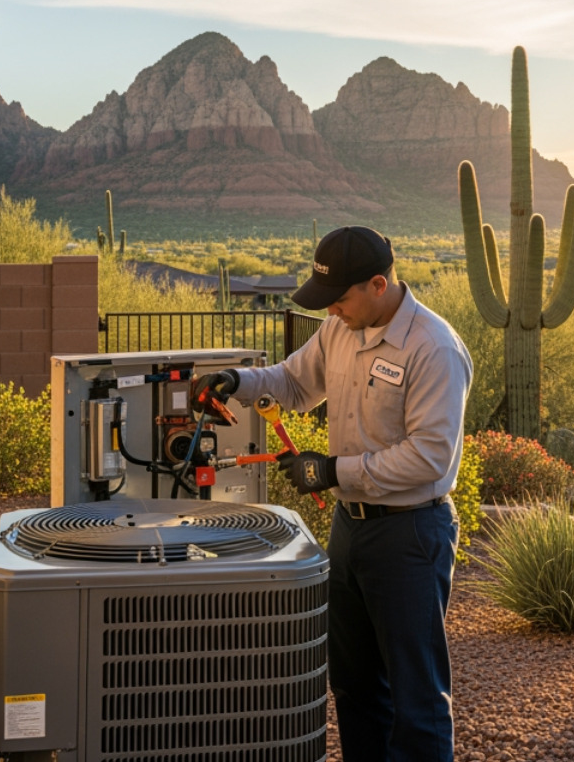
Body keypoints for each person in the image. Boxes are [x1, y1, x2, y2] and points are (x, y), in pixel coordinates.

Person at [192, 225, 471, 762]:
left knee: (417, 698)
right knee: (354, 684)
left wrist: (331, 471)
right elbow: (294, 383)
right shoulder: (340, 330)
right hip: (350, 530)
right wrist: (237, 381)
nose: (332, 311)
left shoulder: (433, 348)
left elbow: (430, 457)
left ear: (377, 285)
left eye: (338, 299)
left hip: (411, 533)